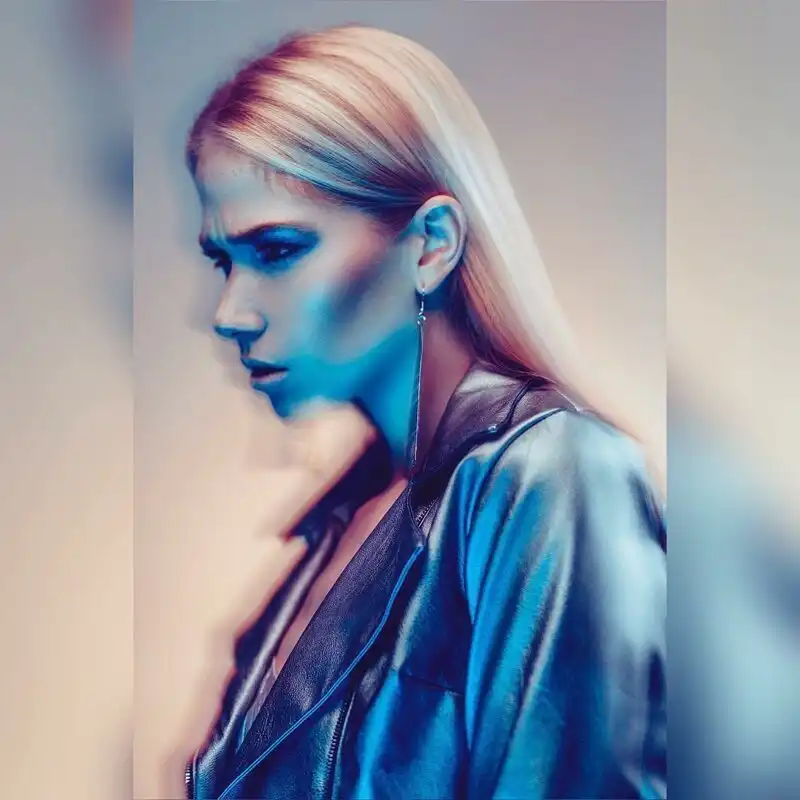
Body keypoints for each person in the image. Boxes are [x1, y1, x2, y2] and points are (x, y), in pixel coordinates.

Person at [182, 23, 666, 800]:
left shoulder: (550, 475)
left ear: (431, 244)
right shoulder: (345, 514)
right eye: (223, 261)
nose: (229, 313)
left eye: (277, 250)